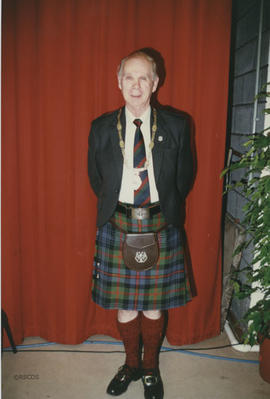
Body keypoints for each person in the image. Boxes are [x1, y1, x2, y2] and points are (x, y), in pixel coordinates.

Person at [88, 49, 194, 399]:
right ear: (119, 82)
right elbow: (95, 179)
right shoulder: (102, 127)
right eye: (129, 77)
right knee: (126, 304)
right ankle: (131, 363)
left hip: (160, 223)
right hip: (118, 223)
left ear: (155, 82)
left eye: (143, 77)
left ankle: (150, 369)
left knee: (153, 304)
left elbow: (185, 177)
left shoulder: (177, 125)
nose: (136, 85)